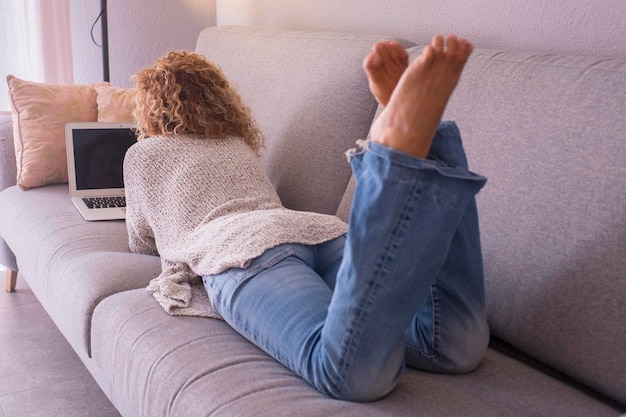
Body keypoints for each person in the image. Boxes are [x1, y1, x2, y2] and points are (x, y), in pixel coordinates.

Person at [124, 34, 488, 402]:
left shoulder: (144, 153)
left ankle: (389, 166)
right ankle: (430, 147)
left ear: (150, 110)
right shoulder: (235, 143)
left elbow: (140, 241)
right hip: (317, 231)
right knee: (449, 344)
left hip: (242, 250)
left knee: (352, 374)